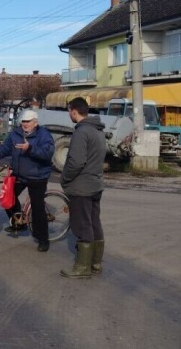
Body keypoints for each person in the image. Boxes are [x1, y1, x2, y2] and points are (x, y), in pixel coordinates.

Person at [0, 109, 55, 252]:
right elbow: (4, 148)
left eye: (28, 122)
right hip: (20, 174)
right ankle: (19, 223)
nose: (25, 124)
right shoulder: (15, 134)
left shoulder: (43, 134)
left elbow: (47, 153)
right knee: (7, 198)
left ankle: (43, 239)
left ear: (35, 122)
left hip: (37, 176)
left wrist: (30, 148)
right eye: (23, 122)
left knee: (37, 207)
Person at [59, 97, 106, 279]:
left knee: (82, 225)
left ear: (73, 111)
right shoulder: (98, 130)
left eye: (69, 111)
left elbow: (76, 162)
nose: (69, 114)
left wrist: (65, 179)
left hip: (81, 187)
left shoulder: (82, 131)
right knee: (95, 222)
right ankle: (95, 263)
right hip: (95, 184)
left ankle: (82, 267)